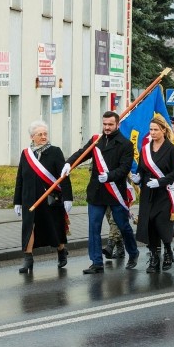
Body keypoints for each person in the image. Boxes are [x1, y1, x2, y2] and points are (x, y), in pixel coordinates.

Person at [64, 111, 139, 274]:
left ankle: (133, 253)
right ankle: (96, 262)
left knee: (123, 226)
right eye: (104, 124)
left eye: (110, 124)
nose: (106, 127)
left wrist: (110, 176)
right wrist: (69, 163)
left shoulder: (126, 144)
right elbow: (82, 154)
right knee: (94, 227)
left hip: (115, 192)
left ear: (117, 125)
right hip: (97, 192)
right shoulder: (96, 140)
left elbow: (124, 168)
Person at [12, 120, 72, 273]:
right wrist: (17, 201)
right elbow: (20, 178)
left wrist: (68, 197)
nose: (44, 137)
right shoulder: (26, 154)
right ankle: (28, 260)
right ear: (32, 137)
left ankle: (61, 251)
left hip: (50, 198)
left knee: (53, 227)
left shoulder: (55, 151)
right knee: (29, 228)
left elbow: (64, 176)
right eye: (40, 134)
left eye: (45, 134)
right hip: (29, 199)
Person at [133, 116, 174, 273]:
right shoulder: (145, 148)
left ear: (163, 131)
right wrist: (138, 177)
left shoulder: (171, 149)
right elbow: (141, 168)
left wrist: (160, 182)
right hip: (148, 193)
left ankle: (167, 251)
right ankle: (154, 256)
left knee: (161, 223)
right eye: (151, 129)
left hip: (164, 192)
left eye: (155, 130)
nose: (152, 133)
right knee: (150, 224)